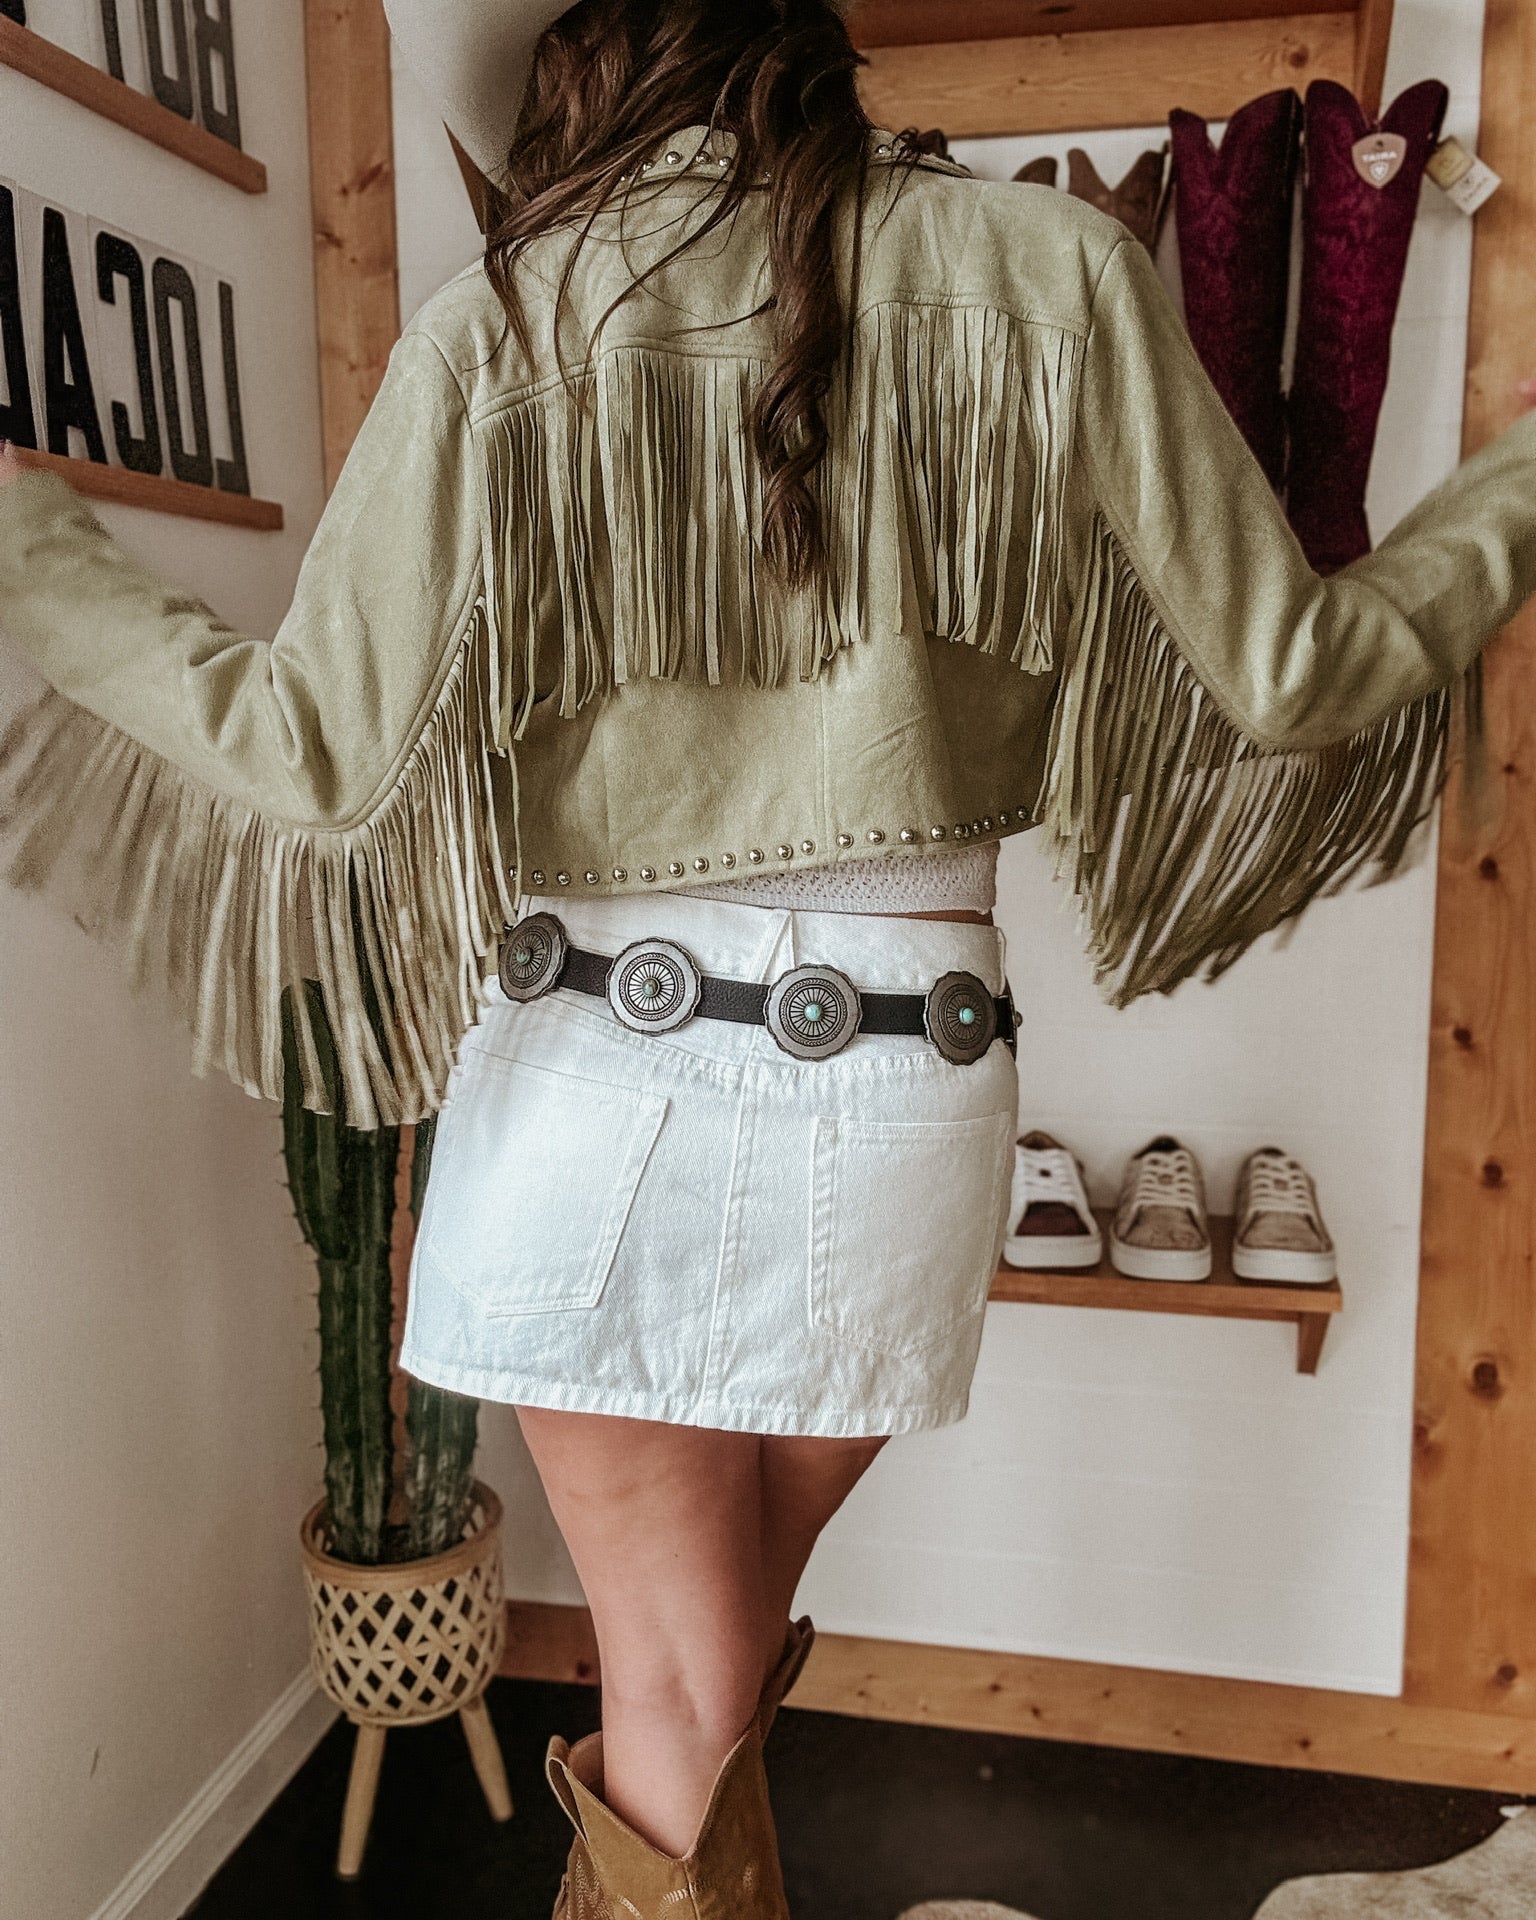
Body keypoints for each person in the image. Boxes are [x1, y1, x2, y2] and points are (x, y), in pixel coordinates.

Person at [1, 3, 1533, 1912]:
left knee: (676, 1685)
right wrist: (1515, 490)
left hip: (593, 1071)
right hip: (907, 1075)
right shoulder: (1050, 274)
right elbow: (1296, 677)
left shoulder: (518, 324)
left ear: (589, 72)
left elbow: (311, 753)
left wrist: (32, 546)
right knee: (708, 1685)